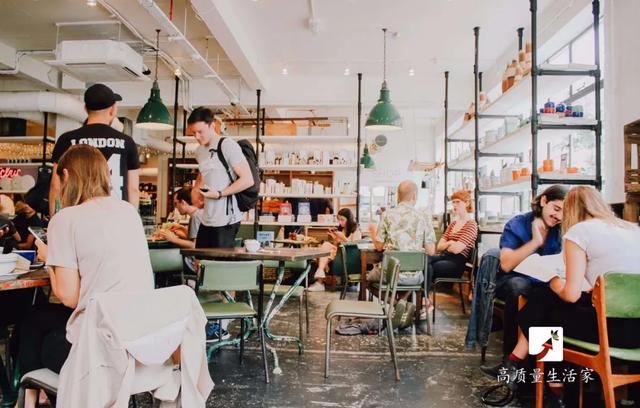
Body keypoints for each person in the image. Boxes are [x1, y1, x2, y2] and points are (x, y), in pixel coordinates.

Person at [18, 145, 153, 408]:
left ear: (66, 176)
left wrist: (49, 259)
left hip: (100, 353)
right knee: (38, 318)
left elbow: (69, 297)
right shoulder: (128, 212)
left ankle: (31, 397)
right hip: (139, 341)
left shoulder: (65, 219)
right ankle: (37, 396)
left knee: (32, 323)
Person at [491, 186, 640, 405]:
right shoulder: (633, 229)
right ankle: (523, 364)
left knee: (546, 312)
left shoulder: (579, 232)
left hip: (607, 333)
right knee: (546, 300)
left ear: (570, 210)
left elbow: (570, 295)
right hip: (635, 331)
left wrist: (553, 281)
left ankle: (547, 386)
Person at [479, 185, 567, 376]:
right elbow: (506, 265)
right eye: (556, 209)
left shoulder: (562, 229)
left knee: (552, 296)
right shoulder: (517, 224)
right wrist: (535, 242)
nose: (558, 217)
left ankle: (542, 371)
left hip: (545, 285)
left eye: (564, 213)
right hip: (512, 280)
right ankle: (509, 360)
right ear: (543, 201)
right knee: (520, 287)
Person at [49, 83, 140, 216]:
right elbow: (133, 189)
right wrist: (131, 220)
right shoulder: (127, 142)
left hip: (78, 215)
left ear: (85, 109)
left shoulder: (67, 139)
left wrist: (54, 221)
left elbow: (56, 186)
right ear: (113, 109)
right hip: (116, 216)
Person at [368, 180, 436, 330]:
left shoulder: (387, 215)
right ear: (415, 196)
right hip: (415, 276)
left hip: (391, 275)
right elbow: (431, 251)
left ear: (397, 196)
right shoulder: (424, 216)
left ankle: (395, 303)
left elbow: (378, 246)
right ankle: (402, 303)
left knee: (366, 279)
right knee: (408, 276)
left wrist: (372, 232)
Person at [187, 107, 254, 248]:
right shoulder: (199, 151)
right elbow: (204, 172)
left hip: (227, 219)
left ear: (212, 126)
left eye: (200, 132)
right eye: (193, 133)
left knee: (218, 267)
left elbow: (247, 179)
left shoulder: (227, 145)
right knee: (201, 262)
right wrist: (196, 188)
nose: (197, 137)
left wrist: (219, 194)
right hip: (207, 218)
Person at [428, 189, 478, 285]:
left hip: (456, 263)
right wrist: (450, 243)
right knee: (424, 260)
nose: (454, 205)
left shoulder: (471, 225)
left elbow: (456, 250)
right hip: (444, 256)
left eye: (458, 202)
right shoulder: (453, 224)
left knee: (428, 266)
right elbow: (439, 246)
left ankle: (423, 297)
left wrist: (447, 244)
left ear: (467, 203)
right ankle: (424, 296)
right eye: (453, 202)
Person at [307, 208, 362, 292]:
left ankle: (320, 281)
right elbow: (336, 245)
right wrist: (335, 238)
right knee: (324, 247)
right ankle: (321, 272)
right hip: (339, 253)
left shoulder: (356, 230)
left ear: (349, 219)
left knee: (324, 252)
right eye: (339, 219)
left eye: (342, 219)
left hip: (349, 255)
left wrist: (342, 237)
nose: (340, 222)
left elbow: (354, 246)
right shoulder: (341, 229)